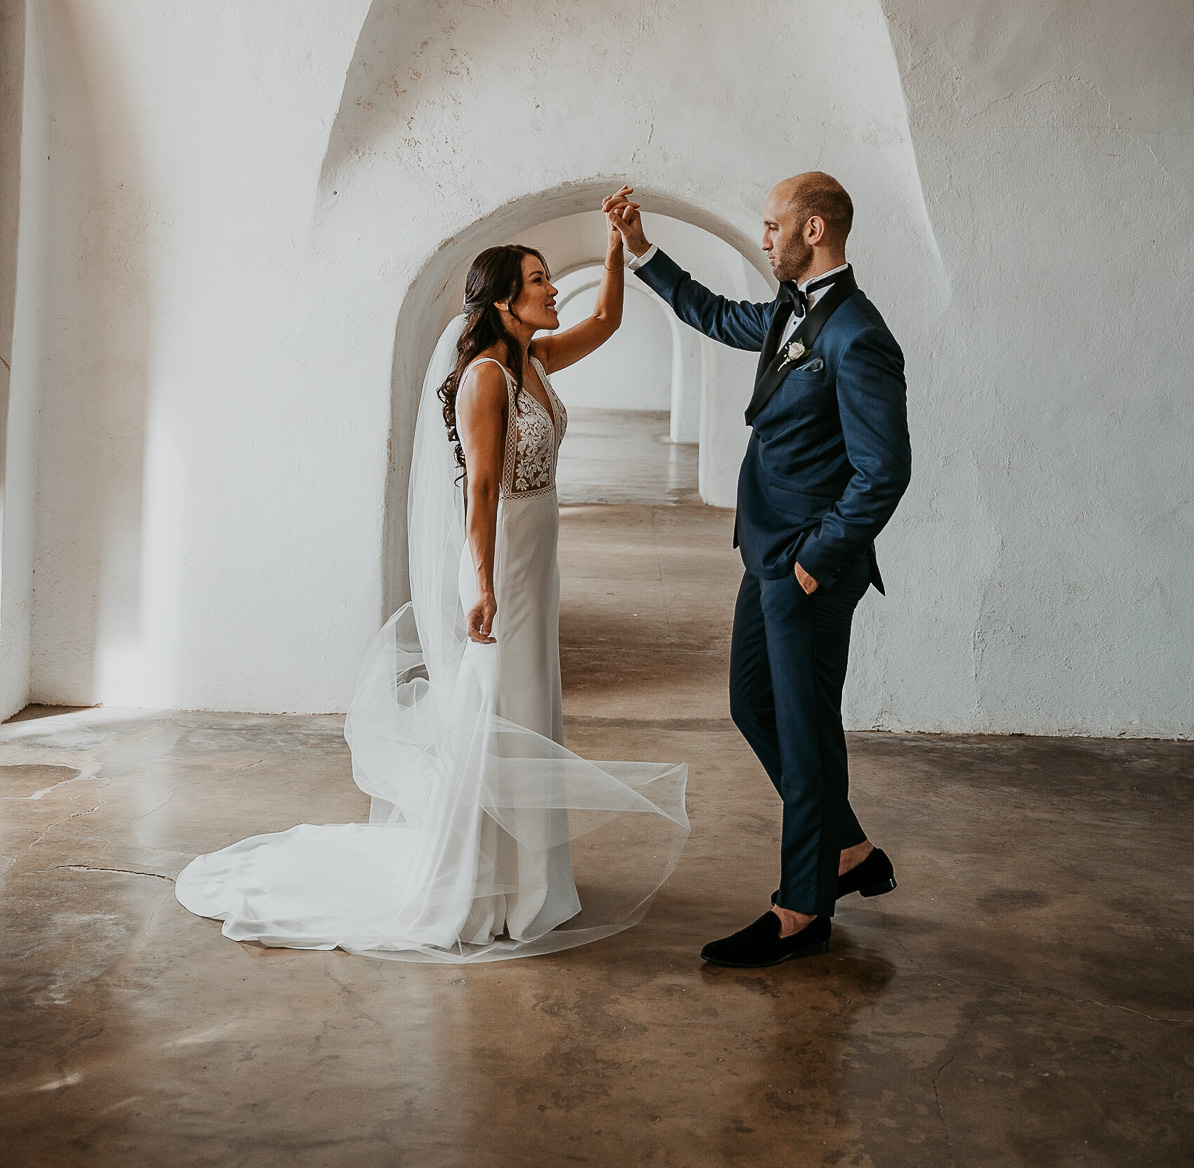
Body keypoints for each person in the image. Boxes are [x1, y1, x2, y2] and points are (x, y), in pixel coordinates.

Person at [175, 195, 688, 963]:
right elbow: (481, 492)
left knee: (530, 700)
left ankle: (532, 883)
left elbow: (608, 321)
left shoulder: (535, 361)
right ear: (507, 301)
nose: (553, 291)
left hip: (537, 560)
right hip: (503, 561)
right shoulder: (486, 378)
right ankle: (478, 886)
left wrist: (619, 244)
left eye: (551, 278)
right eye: (541, 281)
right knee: (495, 706)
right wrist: (478, 584)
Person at [605, 173, 910, 968]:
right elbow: (713, 313)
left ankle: (801, 908)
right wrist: (642, 252)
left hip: (808, 564)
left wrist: (814, 562)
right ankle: (846, 851)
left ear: (814, 229)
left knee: (804, 734)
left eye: (773, 227)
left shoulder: (858, 335)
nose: (764, 238)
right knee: (753, 704)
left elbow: (884, 471)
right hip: (766, 552)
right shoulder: (789, 309)